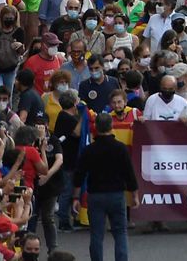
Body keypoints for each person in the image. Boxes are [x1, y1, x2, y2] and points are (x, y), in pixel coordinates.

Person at [73, 112, 135, 261]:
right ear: (111, 126)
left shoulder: (89, 150)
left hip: (95, 195)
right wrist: (135, 194)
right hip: (116, 194)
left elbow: (79, 175)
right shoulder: (120, 148)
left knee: (96, 234)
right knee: (120, 232)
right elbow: (129, 173)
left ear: (96, 127)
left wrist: (76, 197)